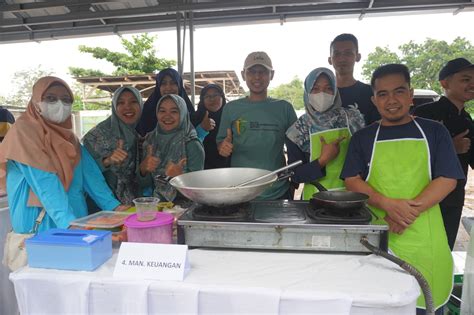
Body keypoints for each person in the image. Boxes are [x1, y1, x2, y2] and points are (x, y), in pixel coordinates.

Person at [341, 64, 464, 313]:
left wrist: (407, 213)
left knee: (425, 302)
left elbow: (448, 178)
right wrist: (387, 204)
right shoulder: (363, 137)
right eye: (383, 94)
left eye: (399, 91)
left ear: (410, 94)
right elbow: (352, 180)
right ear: (374, 100)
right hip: (380, 239)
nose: (391, 100)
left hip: (425, 239)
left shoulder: (434, 131)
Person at [0, 76, 124, 234]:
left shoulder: (69, 138)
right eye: (50, 98)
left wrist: (114, 207)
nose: (60, 105)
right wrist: (67, 222)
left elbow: (90, 174)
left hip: (76, 224)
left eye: (66, 100)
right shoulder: (24, 132)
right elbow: (44, 181)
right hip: (40, 227)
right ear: (36, 101)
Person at [217, 51, 297, 200]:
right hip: (241, 191)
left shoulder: (284, 108)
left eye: (263, 72)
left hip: (277, 190)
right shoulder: (231, 108)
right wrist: (222, 147)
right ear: (243, 74)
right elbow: (221, 143)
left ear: (272, 74)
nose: (257, 77)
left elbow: (296, 148)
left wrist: (294, 182)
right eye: (251, 72)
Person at [413, 57, 474, 250]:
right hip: (422, 196)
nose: (472, 84)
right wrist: (450, 148)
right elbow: (409, 155)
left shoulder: (467, 120)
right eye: (465, 79)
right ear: (444, 83)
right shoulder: (424, 114)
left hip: (454, 199)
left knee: (444, 249)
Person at [286, 67, 364, 199]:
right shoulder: (297, 131)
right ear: (307, 92)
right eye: (315, 89)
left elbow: (366, 159)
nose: (322, 94)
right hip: (314, 199)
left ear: (335, 92)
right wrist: (322, 160)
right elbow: (295, 175)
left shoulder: (353, 119)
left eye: (328, 88)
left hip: (352, 197)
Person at [83, 86, 143, 206]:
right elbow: (84, 172)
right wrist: (107, 160)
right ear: (114, 106)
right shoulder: (95, 135)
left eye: (133, 102)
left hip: (130, 205)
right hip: (101, 205)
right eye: (121, 102)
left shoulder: (137, 137)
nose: (128, 107)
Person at [139, 94, 204, 201]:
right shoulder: (150, 140)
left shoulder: (192, 144)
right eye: (162, 111)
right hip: (155, 206)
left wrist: (180, 178)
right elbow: (143, 184)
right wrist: (143, 169)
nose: (167, 116)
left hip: (184, 209)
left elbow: (198, 190)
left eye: (174, 111)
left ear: (183, 114)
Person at [135, 68, 213, 139]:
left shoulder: (189, 114)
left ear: (179, 86)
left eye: (173, 83)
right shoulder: (146, 114)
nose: (168, 87)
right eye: (163, 83)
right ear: (158, 87)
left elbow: (194, 143)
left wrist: (202, 129)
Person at [328, 33, 380, 125]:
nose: (342, 58)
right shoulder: (322, 95)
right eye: (337, 54)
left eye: (348, 53)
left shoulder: (371, 93)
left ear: (358, 57)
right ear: (330, 59)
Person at [197, 84, 230, 169]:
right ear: (202, 100)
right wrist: (201, 128)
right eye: (207, 96)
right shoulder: (194, 119)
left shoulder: (231, 119)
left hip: (229, 171)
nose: (212, 99)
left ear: (222, 97)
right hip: (201, 170)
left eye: (215, 95)